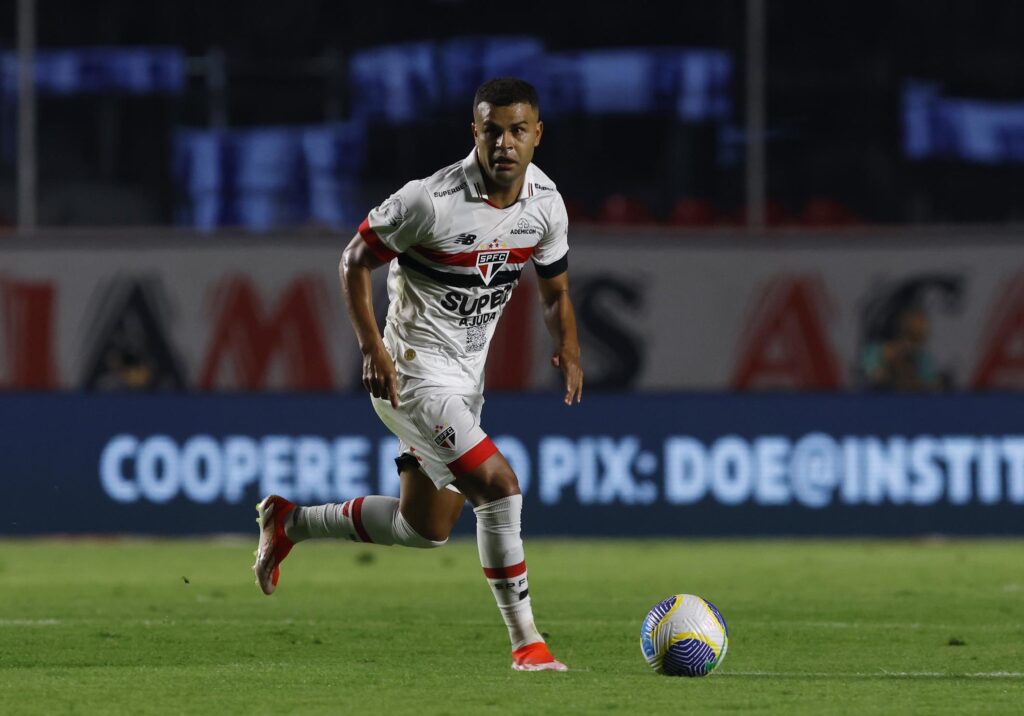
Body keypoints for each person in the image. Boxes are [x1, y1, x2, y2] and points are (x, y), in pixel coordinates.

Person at [252, 77, 583, 672]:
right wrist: (372, 346)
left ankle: (291, 522)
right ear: (474, 133)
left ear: (537, 134)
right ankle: (528, 644)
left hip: (465, 383)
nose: (504, 143)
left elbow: (555, 291)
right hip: (409, 374)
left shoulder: (546, 205)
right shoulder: (429, 200)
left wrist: (571, 350)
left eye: (517, 130)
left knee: (424, 527)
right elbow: (354, 260)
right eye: (492, 130)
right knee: (500, 489)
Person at [860, 303, 940, 391]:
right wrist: (892, 359)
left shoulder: (923, 358)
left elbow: (932, 386)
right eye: (911, 337)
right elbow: (874, 377)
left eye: (919, 339)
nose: (912, 346)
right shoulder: (874, 352)